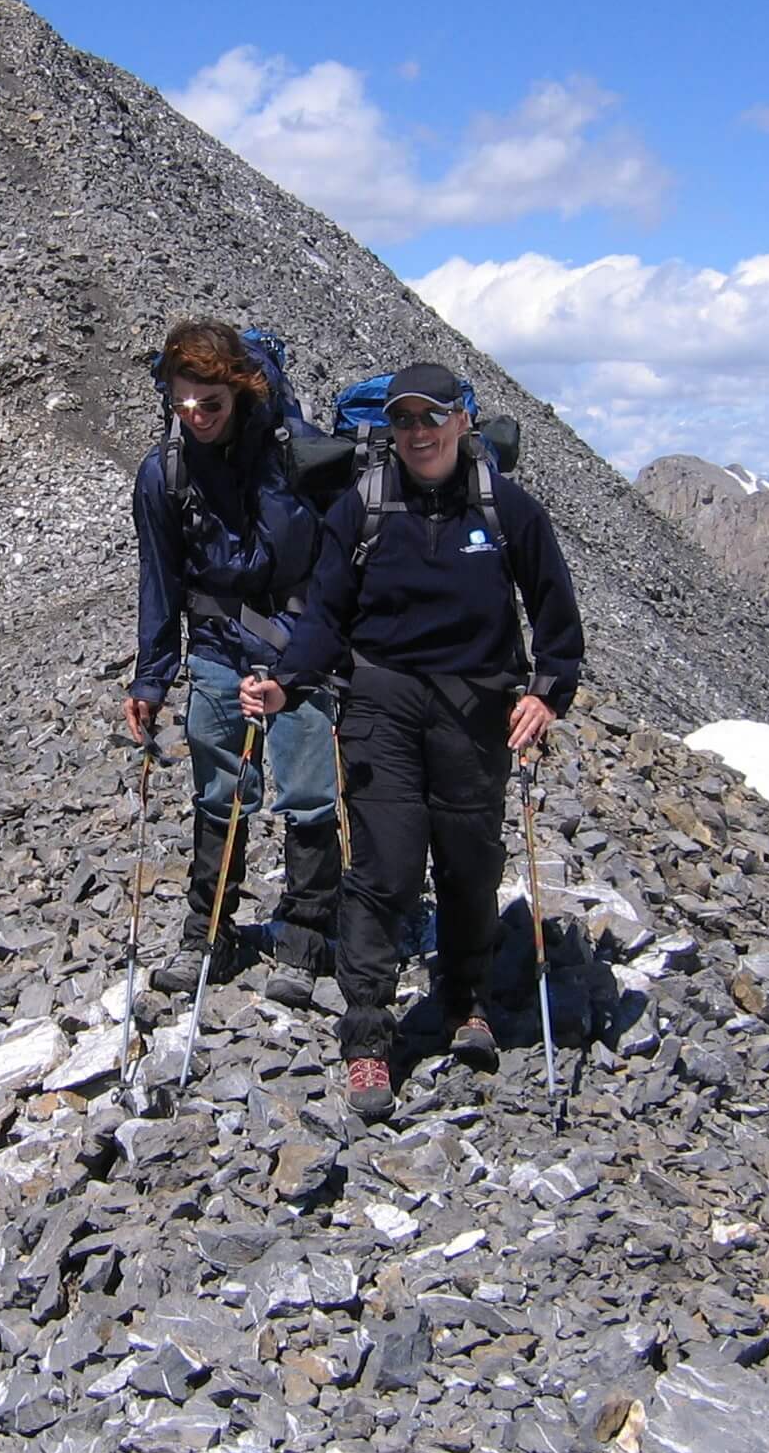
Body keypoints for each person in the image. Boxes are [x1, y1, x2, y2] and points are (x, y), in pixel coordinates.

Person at [242, 361, 583, 1122]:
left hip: (478, 709)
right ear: (390, 430)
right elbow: (324, 616)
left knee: (470, 866)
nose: (419, 432)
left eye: (432, 417)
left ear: (464, 419)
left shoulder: (508, 510)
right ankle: (367, 1039)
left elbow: (556, 616)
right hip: (381, 706)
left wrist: (546, 694)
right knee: (387, 871)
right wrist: (285, 683)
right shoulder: (362, 507)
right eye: (404, 420)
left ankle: (467, 1003)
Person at [126, 322, 343, 1006]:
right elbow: (158, 581)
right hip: (218, 648)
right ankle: (208, 935)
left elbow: (339, 562)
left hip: (299, 648)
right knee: (219, 793)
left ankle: (305, 941)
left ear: (240, 392)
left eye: (210, 405)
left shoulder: (298, 456)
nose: (196, 417)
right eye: (183, 404)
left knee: (308, 794)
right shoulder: (163, 475)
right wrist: (152, 678)